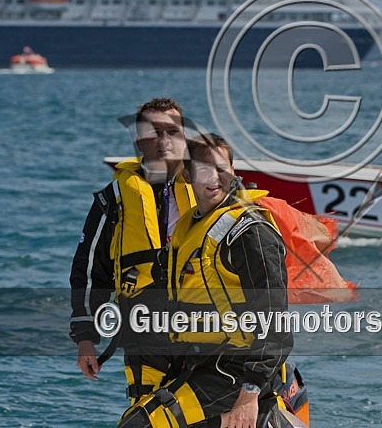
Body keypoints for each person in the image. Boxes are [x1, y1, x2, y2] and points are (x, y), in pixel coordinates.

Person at [118, 134, 297, 428]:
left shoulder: (250, 233)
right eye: (204, 170)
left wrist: (250, 394)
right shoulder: (187, 229)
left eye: (222, 168)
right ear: (187, 176)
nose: (215, 178)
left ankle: (261, 415)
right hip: (199, 363)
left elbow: (274, 320)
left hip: (236, 371)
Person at [69, 97, 196, 402]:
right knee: (149, 411)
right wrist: (86, 339)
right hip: (145, 331)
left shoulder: (211, 187)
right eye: (153, 133)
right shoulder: (114, 199)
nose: (164, 141)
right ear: (140, 142)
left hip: (205, 327)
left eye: (172, 131)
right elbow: (88, 271)